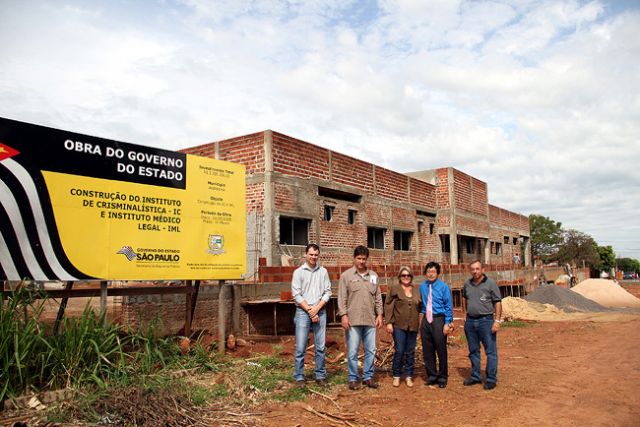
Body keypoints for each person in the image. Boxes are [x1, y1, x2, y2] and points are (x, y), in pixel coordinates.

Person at [338, 245, 383, 390]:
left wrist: (380, 314)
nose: (361, 261)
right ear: (354, 258)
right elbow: (342, 298)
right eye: (359, 258)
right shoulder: (346, 276)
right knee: (353, 351)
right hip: (353, 320)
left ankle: (368, 377)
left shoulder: (374, 277)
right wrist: (344, 315)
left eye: (364, 259)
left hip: (370, 319)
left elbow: (378, 297)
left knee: (371, 350)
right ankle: (352, 378)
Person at [291, 243, 332, 388]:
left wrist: (317, 309)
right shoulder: (299, 272)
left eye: (316, 255)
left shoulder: (323, 272)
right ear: (305, 255)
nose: (313, 257)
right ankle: (299, 376)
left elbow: (328, 292)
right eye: (311, 254)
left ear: (318, 255)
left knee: (320, 347)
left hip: (320, 311)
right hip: (303, 312)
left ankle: (320, 375)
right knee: (301, 346)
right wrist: (310, 310)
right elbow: (296, 294)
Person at [462, 260, 502, 390]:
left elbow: (497, 303)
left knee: (490, 351)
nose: (475, 271)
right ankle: (475, 376)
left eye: (477, 269)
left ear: (482, 269)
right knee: (473, 351)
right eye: (472, 269)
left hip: (486, 321)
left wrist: (497, 321)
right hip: (470, 322)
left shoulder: (490, 284)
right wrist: (465, 316)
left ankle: (490, 378)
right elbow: (464, 299)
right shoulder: (467, 284)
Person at [384, 266, 422, 387]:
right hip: (399, 325)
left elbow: (420, 306)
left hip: (413, 325)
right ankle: (396, 375)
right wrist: (389, 322)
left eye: (408, 275)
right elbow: (388, 305)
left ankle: (409, 375)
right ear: (400, 277)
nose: (406, 277)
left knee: (410, 351)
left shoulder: (416, 290)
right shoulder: (395, 289)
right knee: (400, 350)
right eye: (403, 275)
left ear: (411, 277)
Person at [419, 261, 454, 388]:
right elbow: (421, 304)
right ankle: (432, 375)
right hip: (426, 320)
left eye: (433, 271)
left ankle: (443, 377)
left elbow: (448, 306)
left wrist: (448, 323)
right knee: (427, 349)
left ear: (437, 273)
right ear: (425, 273)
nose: (431, 274)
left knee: (440, 348)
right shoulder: (422, 287)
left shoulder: (443, 287)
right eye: (428, 271)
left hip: (439, 319)